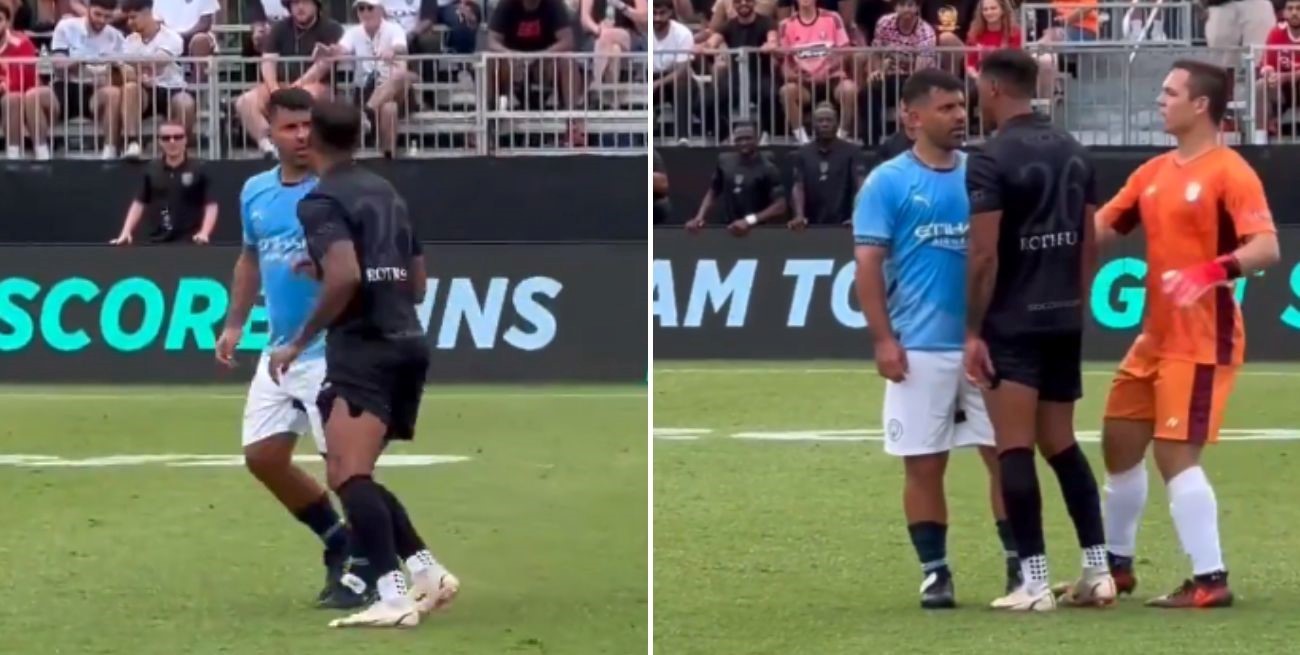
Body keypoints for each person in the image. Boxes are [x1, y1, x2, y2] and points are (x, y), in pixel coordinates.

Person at [1093, 60, 1279, 609]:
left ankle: (1210, 578)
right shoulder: (1153, 172)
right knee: (1119, 443)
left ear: (1200, 105)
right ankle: (1116, 568)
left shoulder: (1230, 171)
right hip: (1153, 337)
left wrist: (1209, 272)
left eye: (1170, 92)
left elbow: (1266, 247)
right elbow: (1101, 228)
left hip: (1202, 338)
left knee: (1175, 455)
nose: (1161, 100)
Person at [268, 98, 458, 629]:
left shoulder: (320, 200)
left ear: (312, 138)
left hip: (364, 346)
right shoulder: (385, 190)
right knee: (351, 473)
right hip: (407, 339)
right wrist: (331, 269)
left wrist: (298, 340)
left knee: (348, 476)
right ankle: (426, 571)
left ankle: (392, 596)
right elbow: (416, 283)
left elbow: (347, 275)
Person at [852, 68, 1019, 609]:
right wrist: (883, 340)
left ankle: (1019, 565)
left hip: (985, 346)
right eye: (946, 108)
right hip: (919, 347)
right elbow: (868, 265)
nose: (959, 116)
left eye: (961, 106)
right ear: (913, 118)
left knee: (1005, 457)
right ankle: (935, 572)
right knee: (924, 463)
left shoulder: (982, 174)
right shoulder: (887, 182)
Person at [963, 48, 1113, 612]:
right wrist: (1076, 303)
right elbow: (1089, 241)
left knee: (1014, 445)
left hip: (1014, 317)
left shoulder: (989, 158)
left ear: (994, 89)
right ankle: (1098, 570)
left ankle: (1034, 581)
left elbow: (984, 256)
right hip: (1064, 314)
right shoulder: (1075, 149)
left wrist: (973, 331)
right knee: (1062, 443)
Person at [213, 89, 370, 611]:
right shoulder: (255, 191)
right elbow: (249, 259)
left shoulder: (336, 188)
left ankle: (371, 567)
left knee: (344, 469)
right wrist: (234, 324)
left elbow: (365, 261)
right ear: (270, 132)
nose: (302, 136)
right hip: (280, 349)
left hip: (332, 347)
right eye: (290, 128)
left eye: (308, 126)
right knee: (262, 457)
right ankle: (336, 539)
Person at [236, 0, 344, 158]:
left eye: (305, 2)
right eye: (295, 3)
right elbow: (268, 61)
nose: (300, 7)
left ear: (316, 4)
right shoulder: (279, 28)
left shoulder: (331, 28)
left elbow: (323, 66)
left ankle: (308, 146)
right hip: (281, 84)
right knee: (245, 101)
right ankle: (269, 145)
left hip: (318, 85)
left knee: (309, 95)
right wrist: (274, 89)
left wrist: (294, 89)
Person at [110, 120, 217, 245]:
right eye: (166, 138)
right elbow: (139, 202)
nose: (172, 142)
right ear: (160, 141)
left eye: (178, 137)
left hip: (190, 242)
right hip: (156, 241)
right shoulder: (151, 169)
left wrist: (204, 233)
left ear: (185, 140)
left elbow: (211, 205)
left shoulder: (199, 168)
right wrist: (126, 231)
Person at [119, 0, 197, 158]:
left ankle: (177, 146)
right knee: (129, 88)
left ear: (148, 13)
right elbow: (125, 70)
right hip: (144, 89)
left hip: (171, 87)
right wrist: (135, 73)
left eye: (133, 17)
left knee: (186, 103)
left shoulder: (172, 37)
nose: (129, 23)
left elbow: (159, 60)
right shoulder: (129, 41)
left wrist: (132, 62)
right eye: (127, 18)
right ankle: (132, 143)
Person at [686, 120, 786, 236]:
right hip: (729, 229)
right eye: (739, 139)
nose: (743, 142)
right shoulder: (724, 161)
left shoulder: (768, 168)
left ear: (757, 139)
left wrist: (748, 221)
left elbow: (780, 205)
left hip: (759, 232)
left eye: (748, 138)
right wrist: (699, 217)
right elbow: (713, 191)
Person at [777, 0, 856, 144]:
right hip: (804, 82)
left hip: (832, 78)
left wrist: (829, 67)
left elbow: (845, 51)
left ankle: (841, 137)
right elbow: (785, 60)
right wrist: (791, 75)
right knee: (786, 91)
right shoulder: (786, 25)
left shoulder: (833, 18)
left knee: (849, 89)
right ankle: (803, 140)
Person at [790, 104, 867, 228]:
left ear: (837, 123)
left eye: (829, 120)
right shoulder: (803, 153)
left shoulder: (852, 151)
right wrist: (799, 216)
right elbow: (798, 186)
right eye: (820, 121)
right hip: (810, 226)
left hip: (844, 224)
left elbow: (860, 185)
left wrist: (856, 215)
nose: (825, 124)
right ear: (813, 125)